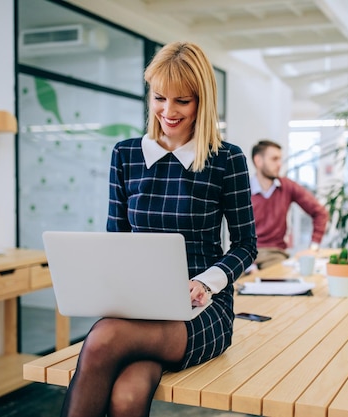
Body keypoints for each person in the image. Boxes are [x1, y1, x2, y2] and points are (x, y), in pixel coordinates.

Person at [59, 41, 257, 417]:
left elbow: (246, 244)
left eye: (182, 101)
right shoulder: (126, 154)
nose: (168, 111)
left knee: (103, 338)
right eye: (160, 97)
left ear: (202, 102)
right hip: (139, 307)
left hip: (203, 308)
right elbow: (115, 240)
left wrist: (206, 281)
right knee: (128, 395)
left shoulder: (226, 159)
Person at [249, 139, 329, 269]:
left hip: (275, 254)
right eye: (274, 159)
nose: (280, 164)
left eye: (280, 159)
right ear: (258, 161)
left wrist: (313, 248)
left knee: (277, 283)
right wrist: (249, 266)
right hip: (246, 255)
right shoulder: (242, 189)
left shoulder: (287, 186)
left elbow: (320, 212)